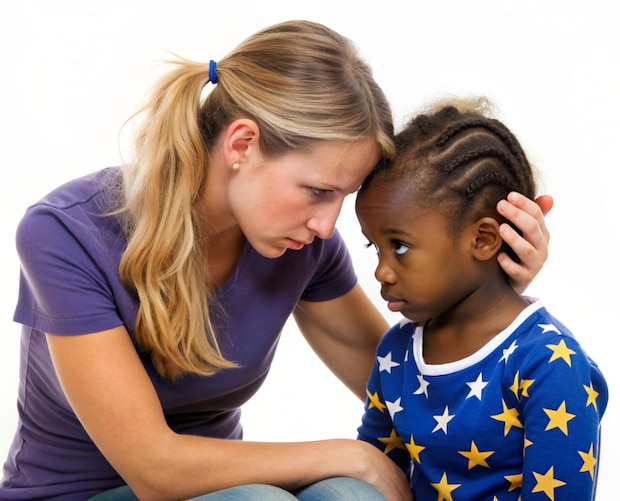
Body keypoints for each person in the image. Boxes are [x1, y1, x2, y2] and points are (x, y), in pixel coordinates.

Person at [0, 20, 552, 501]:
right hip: (81, 493)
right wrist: (353, 455)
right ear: (242, 145)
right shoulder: (64, 235)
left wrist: (486, 289)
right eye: (316, 191)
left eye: (343, 196)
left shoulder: (301, 246)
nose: (327, 224)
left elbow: (407, 393)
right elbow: (154, 470)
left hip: (231, 493)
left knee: (348, 497)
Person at [355, 97, 607, 500]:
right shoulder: (398, 349)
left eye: (399, 247)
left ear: (483, 239)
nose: (381, 272)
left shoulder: (549, 364)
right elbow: (367, 475)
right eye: (375, 248)